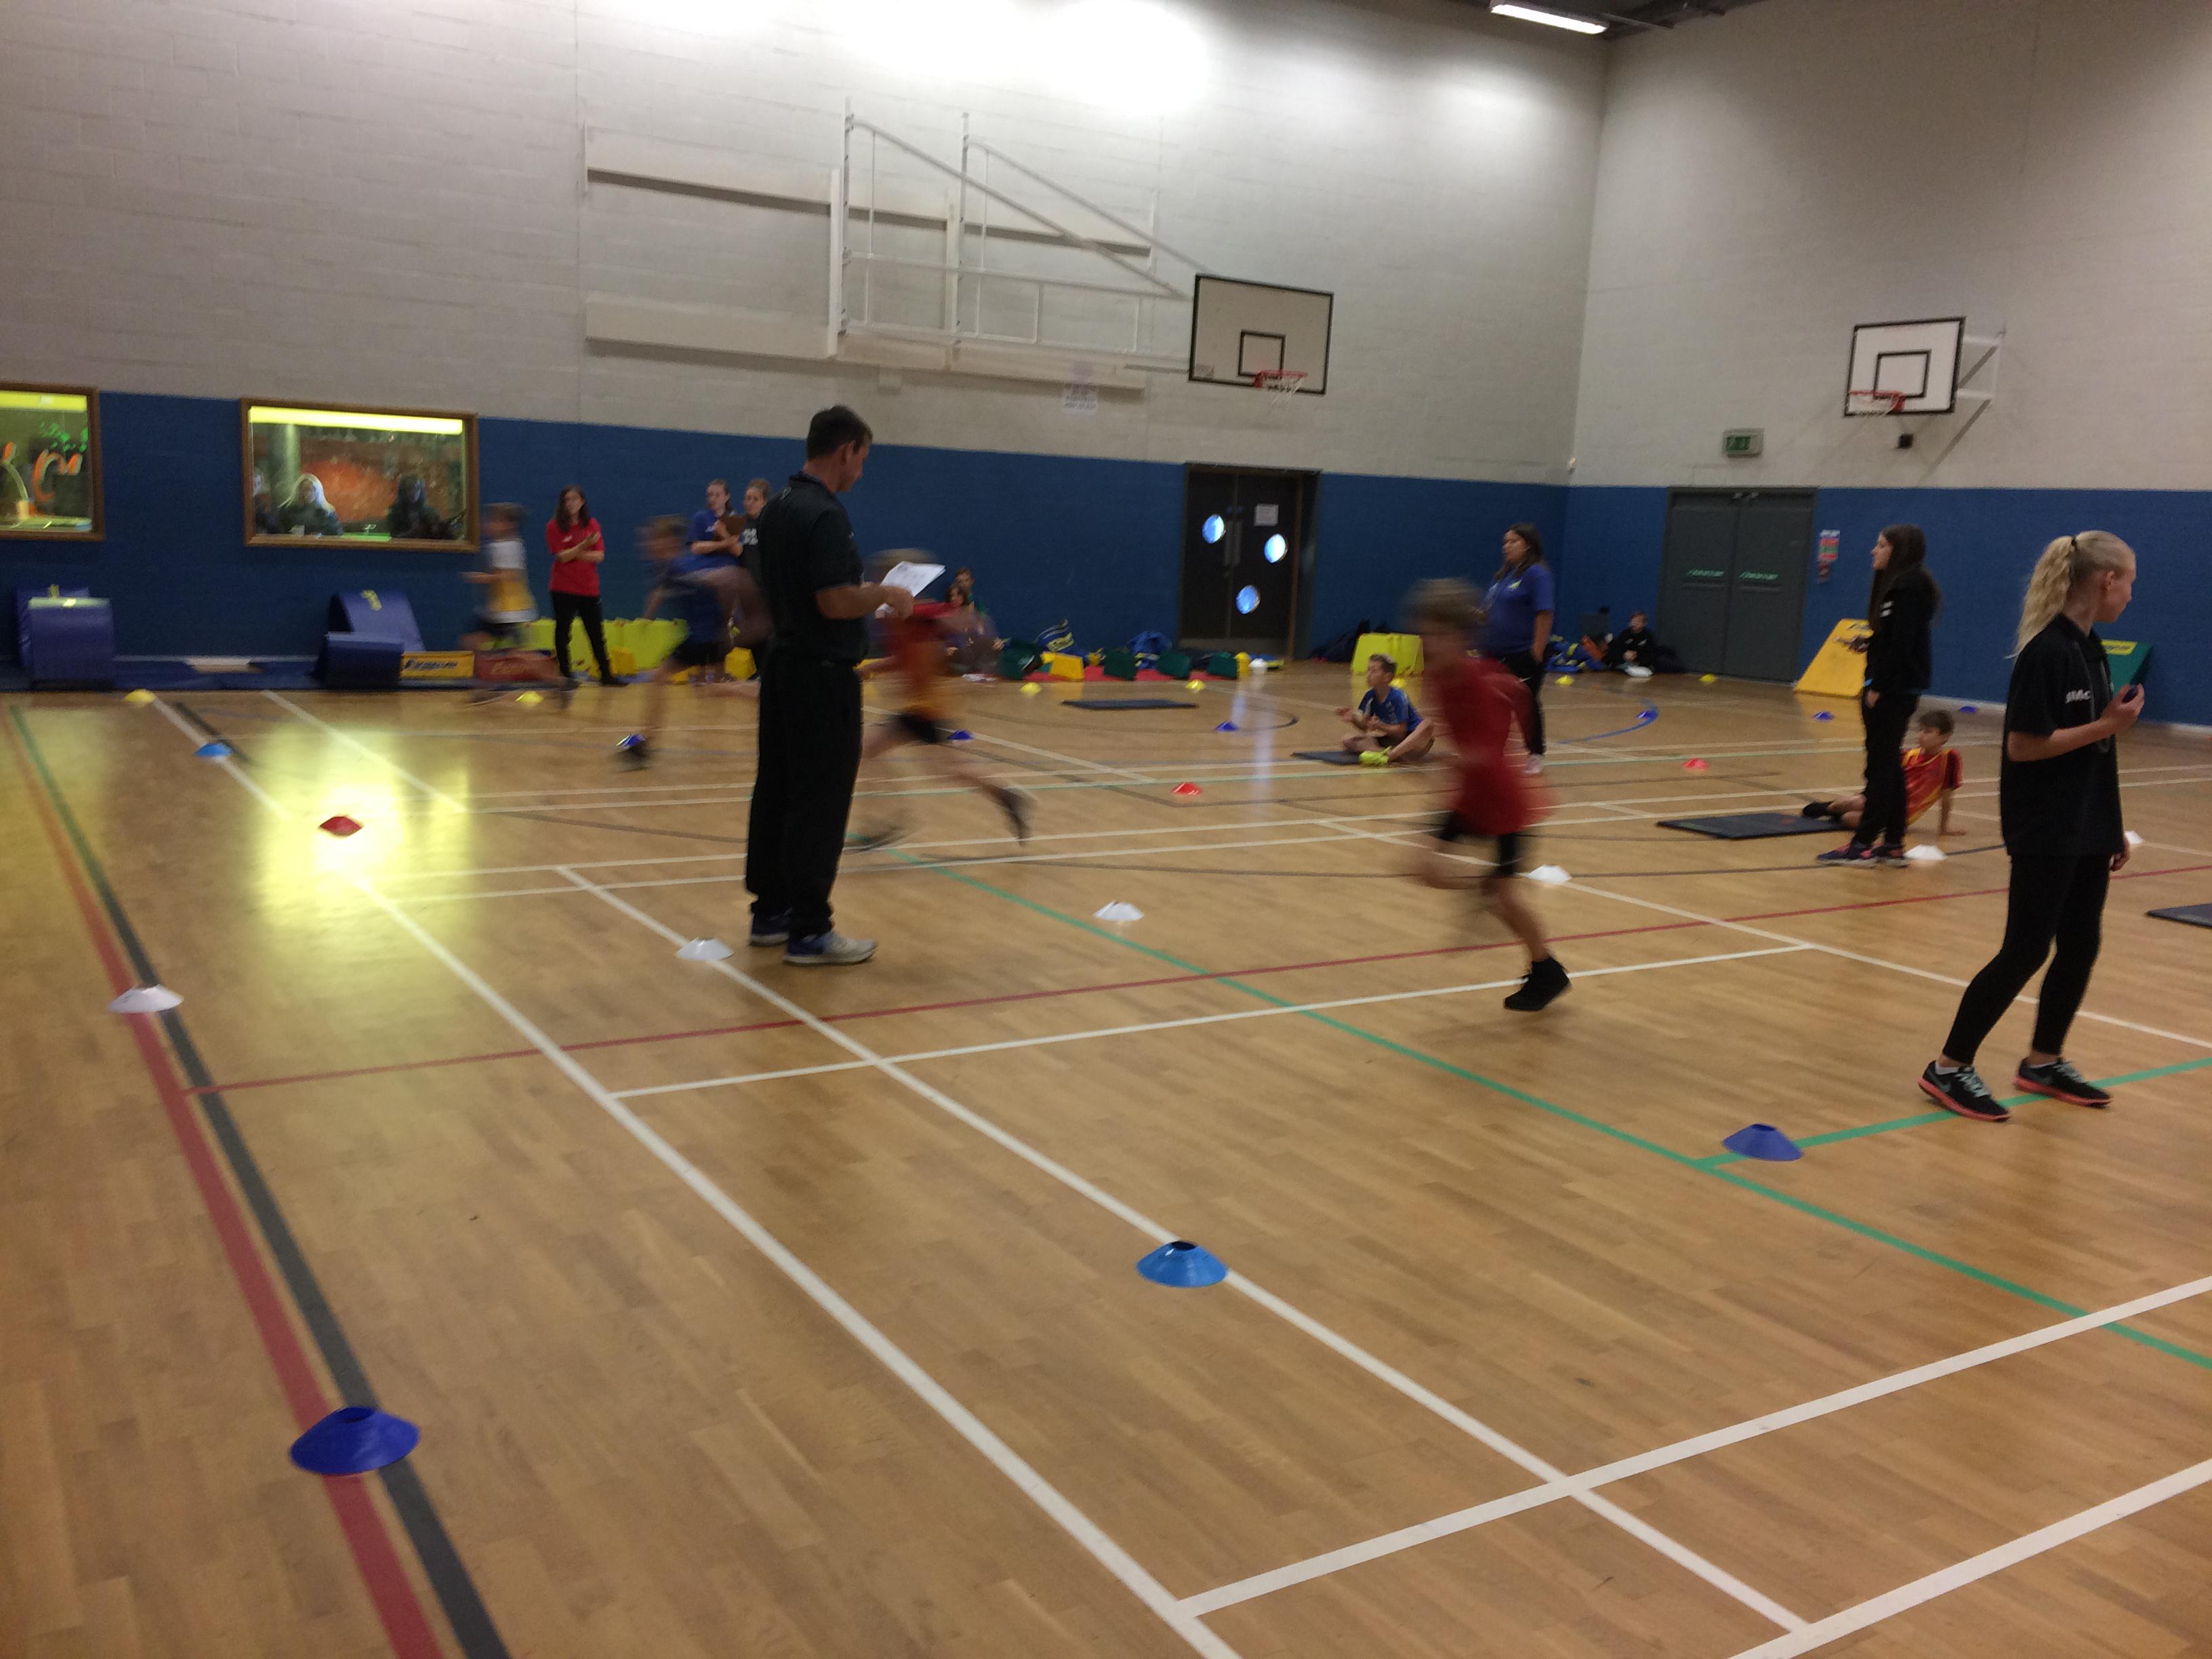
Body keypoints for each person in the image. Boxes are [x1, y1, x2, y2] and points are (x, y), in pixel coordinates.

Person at [1919, 533, 2142, 1122]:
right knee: (2025, 949)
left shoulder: (2091, 648)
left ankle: (2043, 1061)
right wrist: (2108, 725)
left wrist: (2110, 825)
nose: (2131, 594)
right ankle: (1948, 1067)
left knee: (2082, 943)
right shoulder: (2048, 652)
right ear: (2107, 580)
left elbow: (2098, 751)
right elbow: (2024, 746)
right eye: (2129, 582)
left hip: (2086, 822)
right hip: (2045, 824)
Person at [747, 405, 912, 967]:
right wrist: (884, 593)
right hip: (820, 677)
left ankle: (771, 912)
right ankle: (811, 931)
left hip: (782, 667)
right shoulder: (825, 515)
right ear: (846, 451)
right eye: (862, 458)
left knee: (777, 790)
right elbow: (834, 600)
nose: (861, 471)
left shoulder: (776, 509)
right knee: (819, 801)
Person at [1406, 579, 1569, 1012]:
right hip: (1469, 796)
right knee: (1421, 868)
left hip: (1503, 800)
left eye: (1438, 634)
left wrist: (1448, 761)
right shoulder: (1437, 678)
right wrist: (1413, 752)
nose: (1429, 643)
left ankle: (1546, 968)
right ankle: (1481, 888)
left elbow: (1487, 752)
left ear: (1460, 636)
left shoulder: (1480, 683)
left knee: (1508, 896)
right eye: (1425, 634)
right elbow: (1440, 729)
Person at [850, 580, 1031, 849]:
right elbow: (903, 660)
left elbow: (971, 619)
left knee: (950, 770)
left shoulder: (921, 617)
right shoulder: (897, 621)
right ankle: (1006, 795)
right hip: (916, 708)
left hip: (929, 709)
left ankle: (888, 821)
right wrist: (870, 670)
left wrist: (987, 663)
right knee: (876, 754)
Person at [1819, 525, 1940, 867]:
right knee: (1889, 765)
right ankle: (1893, 843)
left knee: (1880, 767)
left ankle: (1863, 843)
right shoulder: (1908, 585)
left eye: (1882, 545)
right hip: (1899, 685)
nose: (1875, 551)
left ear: (1898, 551)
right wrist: (1869, 643)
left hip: (1893, 689)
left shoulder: (1906, 586)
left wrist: (1879, 686)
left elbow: (1902, 644)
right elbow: (1896, 636)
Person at [628, 516, 764, 760]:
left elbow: (730, 577)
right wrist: (648, 615)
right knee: (706, 688)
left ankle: (645, 741)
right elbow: (661, 590)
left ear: (669, 541)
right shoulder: (667, 568)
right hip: (699, 637)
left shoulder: (685, 565)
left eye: (654, 540)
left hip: (706, 638)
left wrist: (729, 625)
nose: (648, 545)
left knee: (662, 679)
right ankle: (644, 740)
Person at [461, 503, 569, 703]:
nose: (489, 525)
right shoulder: (504, 545)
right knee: (474, 642)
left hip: (509, 612)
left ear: (507, 525)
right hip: (499, 611)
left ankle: (558, 682)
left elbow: (510, 575)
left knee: (519, 653)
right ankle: (484, 686)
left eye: (494, 521)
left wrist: (483, 578)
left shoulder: (508, 547)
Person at [1802, 708, 1962, 838]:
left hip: (1900, 814)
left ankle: (1843, 814)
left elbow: (1947, 795)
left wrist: (1943, 828)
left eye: (1928, 732)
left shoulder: (1949, 759)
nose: (1921, 736)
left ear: (1945, 736)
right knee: (1849, 803)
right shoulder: (1908, 756)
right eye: (1919, 730)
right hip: (1883, 800)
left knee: (1849, 818)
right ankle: (1827, 808)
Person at [1481, 523, 1555, 774]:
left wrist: (1537, 650)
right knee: (1495, 704)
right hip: (1495, 653)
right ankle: (1494, 753)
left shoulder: (1537, 574)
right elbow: (1489, 612)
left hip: (1522, 653)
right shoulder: (1502, 578)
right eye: (1505, 542)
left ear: (1528, 545)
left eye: (1513, 541)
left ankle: (1535, 754)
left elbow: (1545, 613)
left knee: (1526, 704)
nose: (1506, 546)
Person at [546, 485, 616, 686]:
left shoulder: (592, 524)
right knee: (563, 631)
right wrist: (584, 546)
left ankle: (606, 674)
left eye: (574, 499)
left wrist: (574, 553)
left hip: (588, 588)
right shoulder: (554, 526)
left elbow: (600, 556)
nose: (570, 504)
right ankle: (566, 674)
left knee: (596, 632)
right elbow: (561, 557)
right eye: (566, 500)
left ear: (582, 501)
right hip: (563, 588)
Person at [1336, 653, 1436, 762]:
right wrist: (1353, 719)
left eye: (1374, 671)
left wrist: (1380, 726)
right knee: (1348, 740)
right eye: (1368, 670)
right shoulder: (1370, 696)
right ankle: (1388, 753)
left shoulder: (1397, 697)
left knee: (1428, 724)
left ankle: (1392, 755)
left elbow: (1401, 731)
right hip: (1391, 741)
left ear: (1387, 677)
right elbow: (1365, 727)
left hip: (1412, 739)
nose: (1368, 675)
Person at [387, 474, 454, 540]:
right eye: (410, 488)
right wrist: (411, 534)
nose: (414, 492)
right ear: (403, 491)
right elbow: (392, 538)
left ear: (421, 490)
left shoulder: (431, 514)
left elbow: (440, 538)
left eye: (417, 488)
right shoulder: (395, 513)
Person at [276, 474, 342, 536]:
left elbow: (336, 535)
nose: (307, 493)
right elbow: (278, 533)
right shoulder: (286, 511)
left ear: (317, 491)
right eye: (303, 490)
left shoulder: (327, 513)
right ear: (298, 491)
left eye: (310, 489)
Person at [690, 479, 737, 558]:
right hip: (706, 563)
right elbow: (695, 548)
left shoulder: (734, 520)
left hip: (728, 562)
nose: (713, 499)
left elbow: (738, 551)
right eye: (710, 495)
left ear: (727, 497)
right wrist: (723, 544)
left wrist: (724, 534)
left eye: (717, 495)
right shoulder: (700, 518)